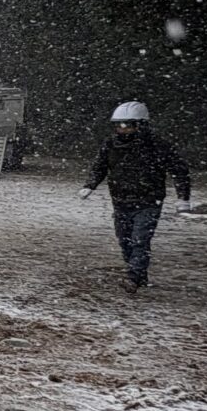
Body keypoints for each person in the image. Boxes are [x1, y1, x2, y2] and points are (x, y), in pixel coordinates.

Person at [80, 101, 192, 293]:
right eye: (118, 126)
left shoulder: (157, 145)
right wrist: (90, 185)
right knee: (125, 240)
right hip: (121, 200)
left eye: (127, 125)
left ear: (140, 125)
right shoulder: (110, 145)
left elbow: (179, 170)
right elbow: (100, 166)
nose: (122, 130)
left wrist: (183, 198)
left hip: (149, 201)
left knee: (140, 239)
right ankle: (138, 274)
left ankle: (133, 277)